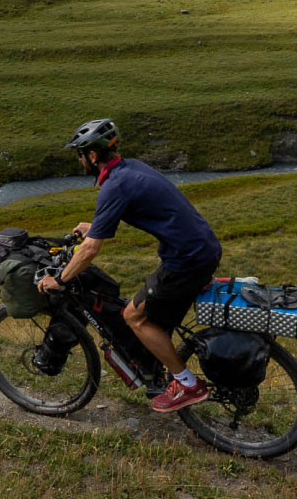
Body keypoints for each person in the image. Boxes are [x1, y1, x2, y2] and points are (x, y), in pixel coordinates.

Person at [37, 118, 222, 412]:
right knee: (155, 317)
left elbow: (89, 250)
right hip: (204, 249)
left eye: (80, 154)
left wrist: (60, 279)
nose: (80, 160)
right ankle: (161, 369)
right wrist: (96, 224)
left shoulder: (114, 186)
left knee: (133, 316)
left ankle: (187, 384)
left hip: (186, 261)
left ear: (93, 155)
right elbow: (136, 207)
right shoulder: (131, 168)